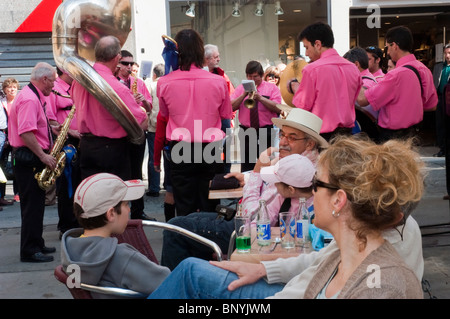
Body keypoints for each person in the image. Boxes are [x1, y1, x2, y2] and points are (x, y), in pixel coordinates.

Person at [149, 135, 425, 299]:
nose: (309, 193)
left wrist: (257, 174)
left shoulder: (382, 281)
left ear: (339, 201)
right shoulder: (353, 244)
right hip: (284, 285)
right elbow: (313, 269)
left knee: (190, 271)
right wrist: (262, 269)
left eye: (316, 185)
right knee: (190, 270)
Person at [160, 108, 327, 270]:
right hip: (256, 228)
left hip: (251, 233)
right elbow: (270, 177)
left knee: (176, 228)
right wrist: (247, 176)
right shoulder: (299, 162)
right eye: (282, 134)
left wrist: (255, 173)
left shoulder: (298, 170)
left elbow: (252, 217)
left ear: (310, 143)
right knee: (191, 219)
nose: (283, 142)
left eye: (292, 138)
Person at [156, 29, 232, 216]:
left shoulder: (164, 82)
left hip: (181, 146)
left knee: (183, 203)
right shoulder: (218, 81)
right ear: (201, 52)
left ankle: (187, 242)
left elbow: (164, 115)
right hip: (209, 146)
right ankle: (208, 242)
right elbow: (225, 114)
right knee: (209, 201)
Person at [61, 173, 170, 298]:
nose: (129, 210)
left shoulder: (70, 250)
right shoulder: (121, 256)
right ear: (111, 213)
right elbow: (169, 282)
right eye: (126, 204)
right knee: (189, 268)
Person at [70, 36, 148, 182]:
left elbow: (74, 102)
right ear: (117, 57)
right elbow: (141, 121)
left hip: (87, 146)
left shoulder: (78, 81)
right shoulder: (119, 88)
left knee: (92, 197)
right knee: (116, 200)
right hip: (112, 150)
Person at [9, 62, 58, 262]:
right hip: (30, 159)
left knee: (36, 205)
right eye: (52, 81)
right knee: (31, 207)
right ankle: (29, 250)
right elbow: (26, 133)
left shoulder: (32, 95)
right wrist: (43, 156)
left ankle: (36, 242)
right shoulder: (30, 99)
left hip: (30, 158)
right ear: (44, 79)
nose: (53, 86)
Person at [357, 26, 438, 142]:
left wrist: (359, 74)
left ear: (394, 45)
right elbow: (431, 106)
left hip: (392, 137)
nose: (388, 52)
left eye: (387, 47)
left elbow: (362, 100)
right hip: (414, 135)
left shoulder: (395, 75)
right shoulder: (424, 70)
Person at [288, 22, 362, 141]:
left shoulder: (312, 69)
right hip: (348, 135)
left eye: (307, 47)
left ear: (317, 44)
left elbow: (302, 106)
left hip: (322, 136)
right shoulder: (353, 68)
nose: (306, 53)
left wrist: (295, 89)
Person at [116, 49, 153, 221]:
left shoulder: (138, 82)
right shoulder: (113, 82)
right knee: (121, 173)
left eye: (131, 63)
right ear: (117, 63)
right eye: (125, 63)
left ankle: (138, 211)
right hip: (120, 134)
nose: (129, 67)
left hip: (137, 132)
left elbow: (150, 108)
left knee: (136, 173)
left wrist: (143, 100)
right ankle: (121, 212)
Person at [46, 67, 81, 236]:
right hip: (65, 141)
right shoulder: (55, 89)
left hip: (80, 139)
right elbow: (51, 119)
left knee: (78, 183)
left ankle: (78, 222)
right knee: (66, 183)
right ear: (65, 71)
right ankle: (66, 225)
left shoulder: (76, 87)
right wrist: (69, 132)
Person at [231, 60, 282, 172]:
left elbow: (278, 108)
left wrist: (260, 98)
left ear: (262, 75)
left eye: (255, 77)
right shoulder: (240, 88)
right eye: (249, 77)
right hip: (246, 130)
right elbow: (231, 107)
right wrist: (244, 94)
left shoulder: (271, 88)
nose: (252, 80)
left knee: (265, 163)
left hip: (265, 130)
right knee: (247, 164)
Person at [204, 43, 235, 174]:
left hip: (223, 119)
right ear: (207, 59)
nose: (218, 59)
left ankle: (225, 176)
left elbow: (230, 97)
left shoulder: (223, 75)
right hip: (206, 120)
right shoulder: (199, 75)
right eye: (216, 57)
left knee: (225, 151)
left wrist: (230, 116)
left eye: (218, 56)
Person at [343, 47, 379, 140]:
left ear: (356, 65)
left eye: (345, 66)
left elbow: (362, 100)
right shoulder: (369, 78)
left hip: (367, 134)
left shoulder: (367, 82)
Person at [146, 63, 164, 197]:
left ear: (154, 75)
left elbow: (148, 105)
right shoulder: (169, 84)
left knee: (153, 156)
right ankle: (169, 183)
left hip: (153, 126)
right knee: (169, 156)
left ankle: (154, 187)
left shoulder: (151, 86)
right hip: (167, 126)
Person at [1, 77, 19, 203]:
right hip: (3, 136)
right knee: (1, 166)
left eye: (14, 87)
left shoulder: (20, 101)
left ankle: (17, 193)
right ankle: (1, 196)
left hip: (17, 137)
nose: (12, 90)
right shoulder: (2, 102)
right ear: (4, 90)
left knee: (16, 164)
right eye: (9, 87)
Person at [434, 43, 450, 158]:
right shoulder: (439, 67)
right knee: (440, 124)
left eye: (449, 53)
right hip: (440, 98)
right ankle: (442, 148)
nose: (447, 56)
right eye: (445, 53)